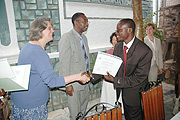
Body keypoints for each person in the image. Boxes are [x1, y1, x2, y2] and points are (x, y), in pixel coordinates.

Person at [11, 17, 90, 120]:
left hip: (21, 102)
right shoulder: (38, 53)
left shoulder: (27, 48)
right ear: (40, 31)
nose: (52, 30)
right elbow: (52, 81)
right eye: (49, 28)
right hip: (32, 106)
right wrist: (78, 77)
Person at [104, 18, 152, 120]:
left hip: (135, 94)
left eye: (119, 30)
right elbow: (113, 65)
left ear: (129, 30)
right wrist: (92, 75)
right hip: (122, 92)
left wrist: (115, 80)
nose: (116, 33)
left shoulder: (144, 51)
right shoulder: (118, 46)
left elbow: (138, 78)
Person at [58, 12, 90, 120]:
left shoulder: (84, 38)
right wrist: (67, 85)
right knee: (75, 114)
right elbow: (64, 63)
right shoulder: (66, 38)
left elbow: (85, 59)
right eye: (84, 21)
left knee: (83, 111)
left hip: (85, 81)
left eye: (87, 21)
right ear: (76, 22)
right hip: (73, 84)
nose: (87, 23)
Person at [100, 32, 124, 111]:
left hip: (118, 77)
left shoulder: (123, 52)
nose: (114, 42)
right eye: (113, 40)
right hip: (110, 77)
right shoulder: (109, 51)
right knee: (110, 95)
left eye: (116, 40)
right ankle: (111, 108)